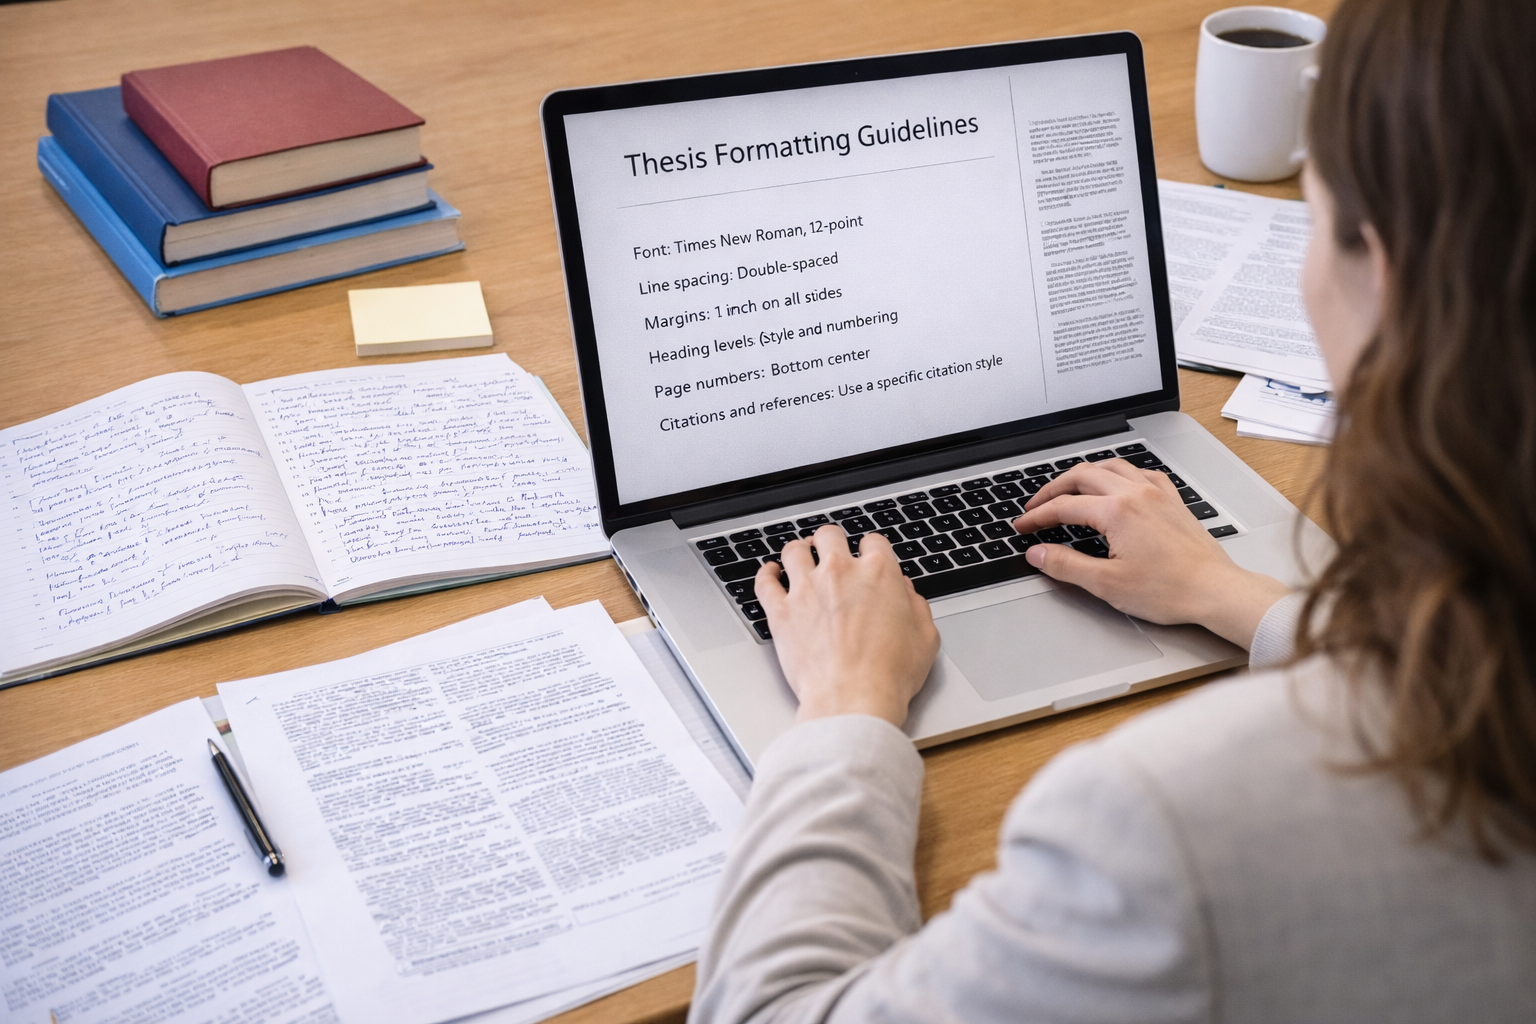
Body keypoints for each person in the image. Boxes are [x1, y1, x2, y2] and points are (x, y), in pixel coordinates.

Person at [688, 0, 1536, 1020]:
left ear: (1383, 272)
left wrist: (846, 710)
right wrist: (1243, 599)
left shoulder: (1164, 824)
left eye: (1312, 215)